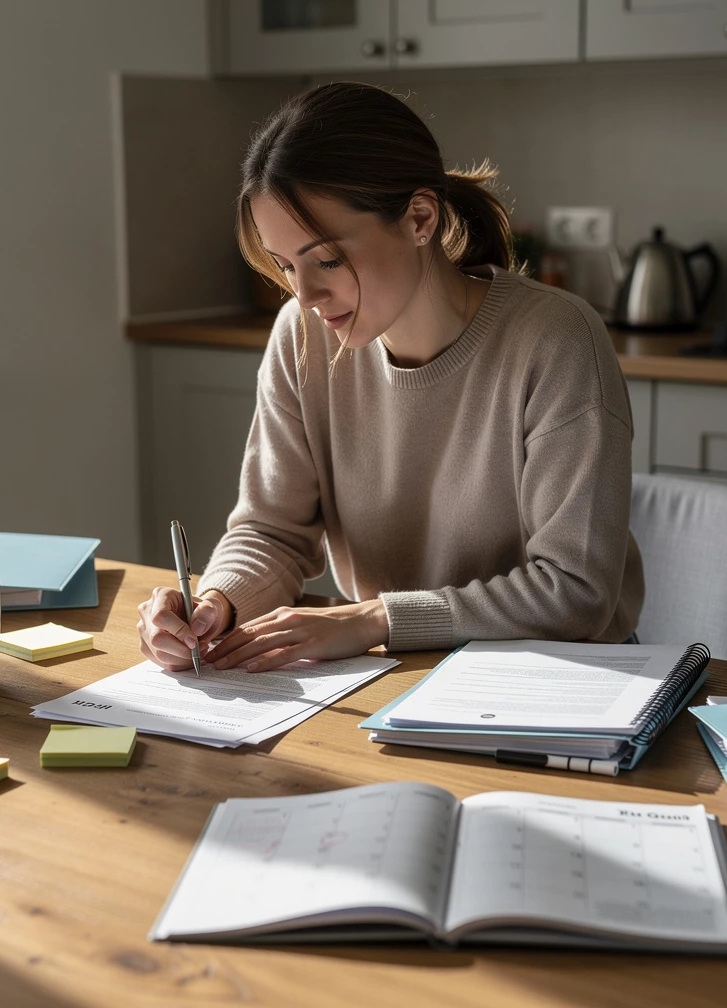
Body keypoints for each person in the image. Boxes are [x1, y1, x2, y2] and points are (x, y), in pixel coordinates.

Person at [137, 81, 643, 674]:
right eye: (285, 266)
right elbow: (273, 531)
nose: (305, 295)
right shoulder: (301, 336)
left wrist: (377, 618)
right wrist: (217, 601)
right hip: (391, 672)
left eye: (326, 259)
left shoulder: (556, 338)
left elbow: (575, 590)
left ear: (419, 218)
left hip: (561, 680)